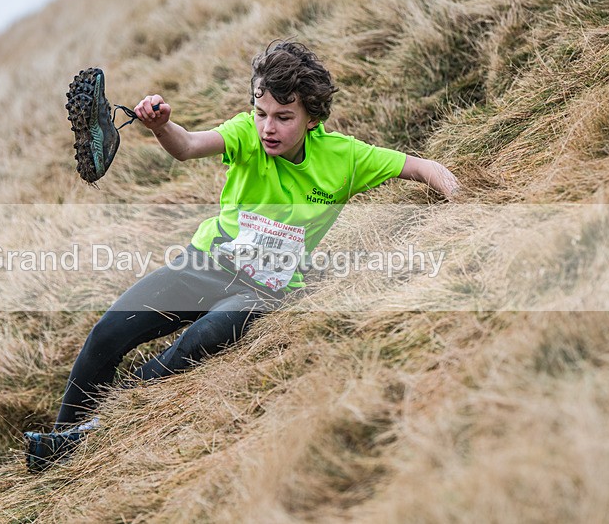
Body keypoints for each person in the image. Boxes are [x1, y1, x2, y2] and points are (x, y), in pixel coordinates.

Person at [24, 40, 460, 472]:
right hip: (205, 265)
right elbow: (190, 145)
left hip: (265, 290)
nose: (268, 127)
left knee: (205, 334)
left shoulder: (344, 158)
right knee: (107, 332)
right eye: (261, 113)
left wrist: (462, 202)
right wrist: (160, 126)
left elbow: (421, 167)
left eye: (284, 117)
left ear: (312, 118)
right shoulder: (245, 134)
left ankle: (107, 422)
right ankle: (61, 442)